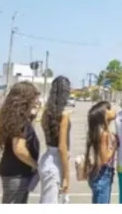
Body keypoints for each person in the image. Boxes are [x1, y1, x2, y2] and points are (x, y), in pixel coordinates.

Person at [0, 81, 41, 204]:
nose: (37, 101)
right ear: (25, 100)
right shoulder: (20, 121)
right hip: (17, 174)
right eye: (34, 98)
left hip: (13, 171)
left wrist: (32, 116)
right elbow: (19, 149)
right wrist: (35, 165)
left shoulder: (15, 118)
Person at [39, 76, 72, 204]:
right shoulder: (64, 115)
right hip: (56, 163)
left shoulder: (46, 113)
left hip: (47, 158)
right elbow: (62, 147)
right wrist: (67, 176)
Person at [84, 101, 117, 204]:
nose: (113, 110)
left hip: (99, 175)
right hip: (103, 175)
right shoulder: (103, 134)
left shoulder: (100, 131)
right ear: (104, 114)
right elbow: (105, 159)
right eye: (109, 108)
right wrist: (114, 146)